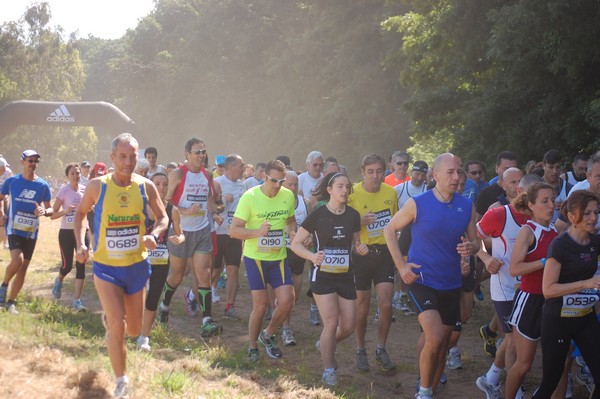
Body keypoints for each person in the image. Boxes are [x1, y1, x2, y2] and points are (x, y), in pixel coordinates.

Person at [73, 133, 168, 398]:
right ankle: (121, 381)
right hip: (106, 267)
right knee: (117, 324)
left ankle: (114, 318)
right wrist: (81, 244)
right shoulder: (97, 186)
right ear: (112, 157)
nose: (128, 162)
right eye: (123, 156)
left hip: (136, 266)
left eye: (132, 156)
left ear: (139, 158)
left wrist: (155, 234)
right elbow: (80, 214)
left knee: (134, 329)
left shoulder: (145, 186)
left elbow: (163, 218)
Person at [384, 153, 479, 399]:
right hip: (421, 280)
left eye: (459, 171)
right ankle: (423, 392)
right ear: (434, 175)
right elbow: (389, 229)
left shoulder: (466, 206)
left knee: (443, 346)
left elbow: (476, 242)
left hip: (451, 282)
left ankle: (431, 389)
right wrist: (402, 267)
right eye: (450, 172)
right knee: (434, 336)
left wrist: (471, 249)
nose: (456, 177)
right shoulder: (419, 203)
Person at [291, 172, 368, 386]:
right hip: (322, 275)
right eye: (340, 186)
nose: (345, 191)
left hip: (345, 276)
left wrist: (361, 249)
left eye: (347, 187)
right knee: (331, 322)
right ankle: (329, 368)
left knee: (349, 325)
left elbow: (356, 243)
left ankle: (325, 344)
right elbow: (296, 244)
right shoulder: (318, 214)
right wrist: (312, 256)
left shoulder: (353, 215)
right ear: (330, 190)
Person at [531, 190, 600, 399]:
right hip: (557, 320)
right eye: (587, 213)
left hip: (585, 319)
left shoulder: (596, 242)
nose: (593, 218)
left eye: (596, 212)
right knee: (550, 382)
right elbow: (548, 290)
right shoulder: (560, 245)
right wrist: (585, 284)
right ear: (571, 217)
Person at [230, 160, 297, 361]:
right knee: (260, 306)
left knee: (288, 301)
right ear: (264, 177)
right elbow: (234, 231)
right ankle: (252, 346)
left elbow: (290, 221)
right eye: (273, 180)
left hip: (278, 257)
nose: (277, 185)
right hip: (256, 259)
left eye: (281, 181)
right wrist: (256, 232)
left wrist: (293, 232)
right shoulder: (249, 197)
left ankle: (267, 334)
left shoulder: (287, 195)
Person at [158, 138, 222, 337]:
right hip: (180, 231)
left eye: (203, 151)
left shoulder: (208, 175)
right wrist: (185, 210)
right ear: (187, 154)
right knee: (177, 275)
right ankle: (164, 307)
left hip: (202, 230)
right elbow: (165, 202)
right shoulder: (177, 174)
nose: (201, 155)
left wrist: (216, 212)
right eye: (197, 152)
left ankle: (206, 321)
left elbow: (209, 200)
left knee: (204, 274)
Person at [505, 182, 558, 399]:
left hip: (552, 300)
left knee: (559, 364)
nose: (551, 205)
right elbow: (515, 268)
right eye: (545, 201)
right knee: (524, 364)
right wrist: (546, 261)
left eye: (553, 200)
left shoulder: (555, 230)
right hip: (529, 300)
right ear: (532, 205)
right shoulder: (528, 231)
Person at [348, 154, 399, 372]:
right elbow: (345, 223)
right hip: (362, 254)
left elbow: (395, 223)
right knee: (362, 307)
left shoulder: (391, 192)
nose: (375, 176)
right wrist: (358, 227)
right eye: (370, 171)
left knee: (386, 304)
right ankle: (360, 349)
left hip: (384, 253)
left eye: (379, 171)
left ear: (385, 171)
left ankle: (380, 348)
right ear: (363, 172)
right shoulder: (353, 193)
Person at [0, 150, 53, 314]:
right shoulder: (12, 181)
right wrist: (2, 213)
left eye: (36, 161)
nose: (33, 164)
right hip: (14, 228)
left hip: (31, 231)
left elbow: (50, 207)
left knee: (23, 268)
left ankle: (10, 303)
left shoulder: (42, 185)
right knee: (18, 261)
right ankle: (4, 286)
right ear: (22, 162)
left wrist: (44, 212)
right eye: (30, 160)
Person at [137, 172, 185, 351]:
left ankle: (144, 337)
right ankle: (133, 327)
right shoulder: (140, 206)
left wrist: (179, 239)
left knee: (153, 297)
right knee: (137, 296)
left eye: (165, 184)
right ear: (150, 186)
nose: (162, 188)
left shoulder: (172, 210)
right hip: (139, 258)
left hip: (161, 260)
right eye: (157, 184)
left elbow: (181, 234)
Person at [50, 162, 88, 311]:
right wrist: (66, 211)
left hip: (83, 232)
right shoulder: (64, 190)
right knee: (67, 266)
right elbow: (52, 214)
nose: (76, 176)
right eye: (72, 173)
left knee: (81, 265)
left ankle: (77, 301)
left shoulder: (85, 190)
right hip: (66, 232)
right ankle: (59, 280)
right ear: (67, 176)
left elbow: (91, 208)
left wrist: (89, 208)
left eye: (78, 173)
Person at [213, 154, 247, 320]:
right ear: (231, 167)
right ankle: (195, 295)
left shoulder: (243, 186)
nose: (244, 168)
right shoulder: (217, 183)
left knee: (233, 270)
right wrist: (223, 202)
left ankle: (229, 306)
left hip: (235, 233)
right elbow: (209, 207)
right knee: (214, 271)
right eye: (241, 165)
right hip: (218, 232)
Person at [280, 169, 312, 345]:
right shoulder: (274, 201)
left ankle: (284, 321)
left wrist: (309, 239)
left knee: (294, 296)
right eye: (288, 184)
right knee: (281, 294)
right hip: (277, 252)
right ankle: (285, 327)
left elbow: (312, 228)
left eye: (295, 184)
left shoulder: (305, 203)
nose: (292, 188)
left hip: (296, 253)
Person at [0, 156, 13, 249]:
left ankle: (5, 243)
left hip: (5, 198)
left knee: (5, 220)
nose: (5, 169)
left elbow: (12, 182)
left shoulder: (8, 172)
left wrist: (7, 195)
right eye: (3, 167)